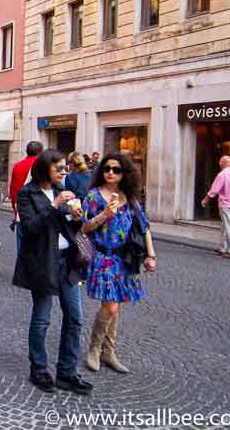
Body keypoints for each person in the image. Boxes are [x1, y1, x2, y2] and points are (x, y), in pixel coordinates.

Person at [13, 149, 92, 395]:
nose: (63, 172)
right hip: (43, 261)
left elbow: (70, 227)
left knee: (75, 317)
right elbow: (30, 228)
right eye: (58, 168)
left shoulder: (62, 192)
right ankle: (39, 369)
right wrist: (56, 207)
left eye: (65, 168)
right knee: (42, 318)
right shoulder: (28, 194)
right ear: (45, 168)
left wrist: (77, 216)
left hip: (67, 261)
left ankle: (67, 372)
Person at [82, 153, 157, 374]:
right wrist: (105, 214)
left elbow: (144, 228)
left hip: (125, 259)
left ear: (124, 173)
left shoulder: (130, 198)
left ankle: (109, 351)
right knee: (111, 305)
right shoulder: (94, 197)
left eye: (116, 169)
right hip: (103, 258)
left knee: (117, 305)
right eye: (106, 168)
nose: (110, 173)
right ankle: (95, 348)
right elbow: (83, 228)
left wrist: (150, 255)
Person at [9, 141, 44, 255]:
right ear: (40, 152)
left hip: (21, 210)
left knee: (21, 245)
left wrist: (15, 211)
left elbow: (13, 190)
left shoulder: (18, 166)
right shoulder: (42, 166)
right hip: (37, 211)